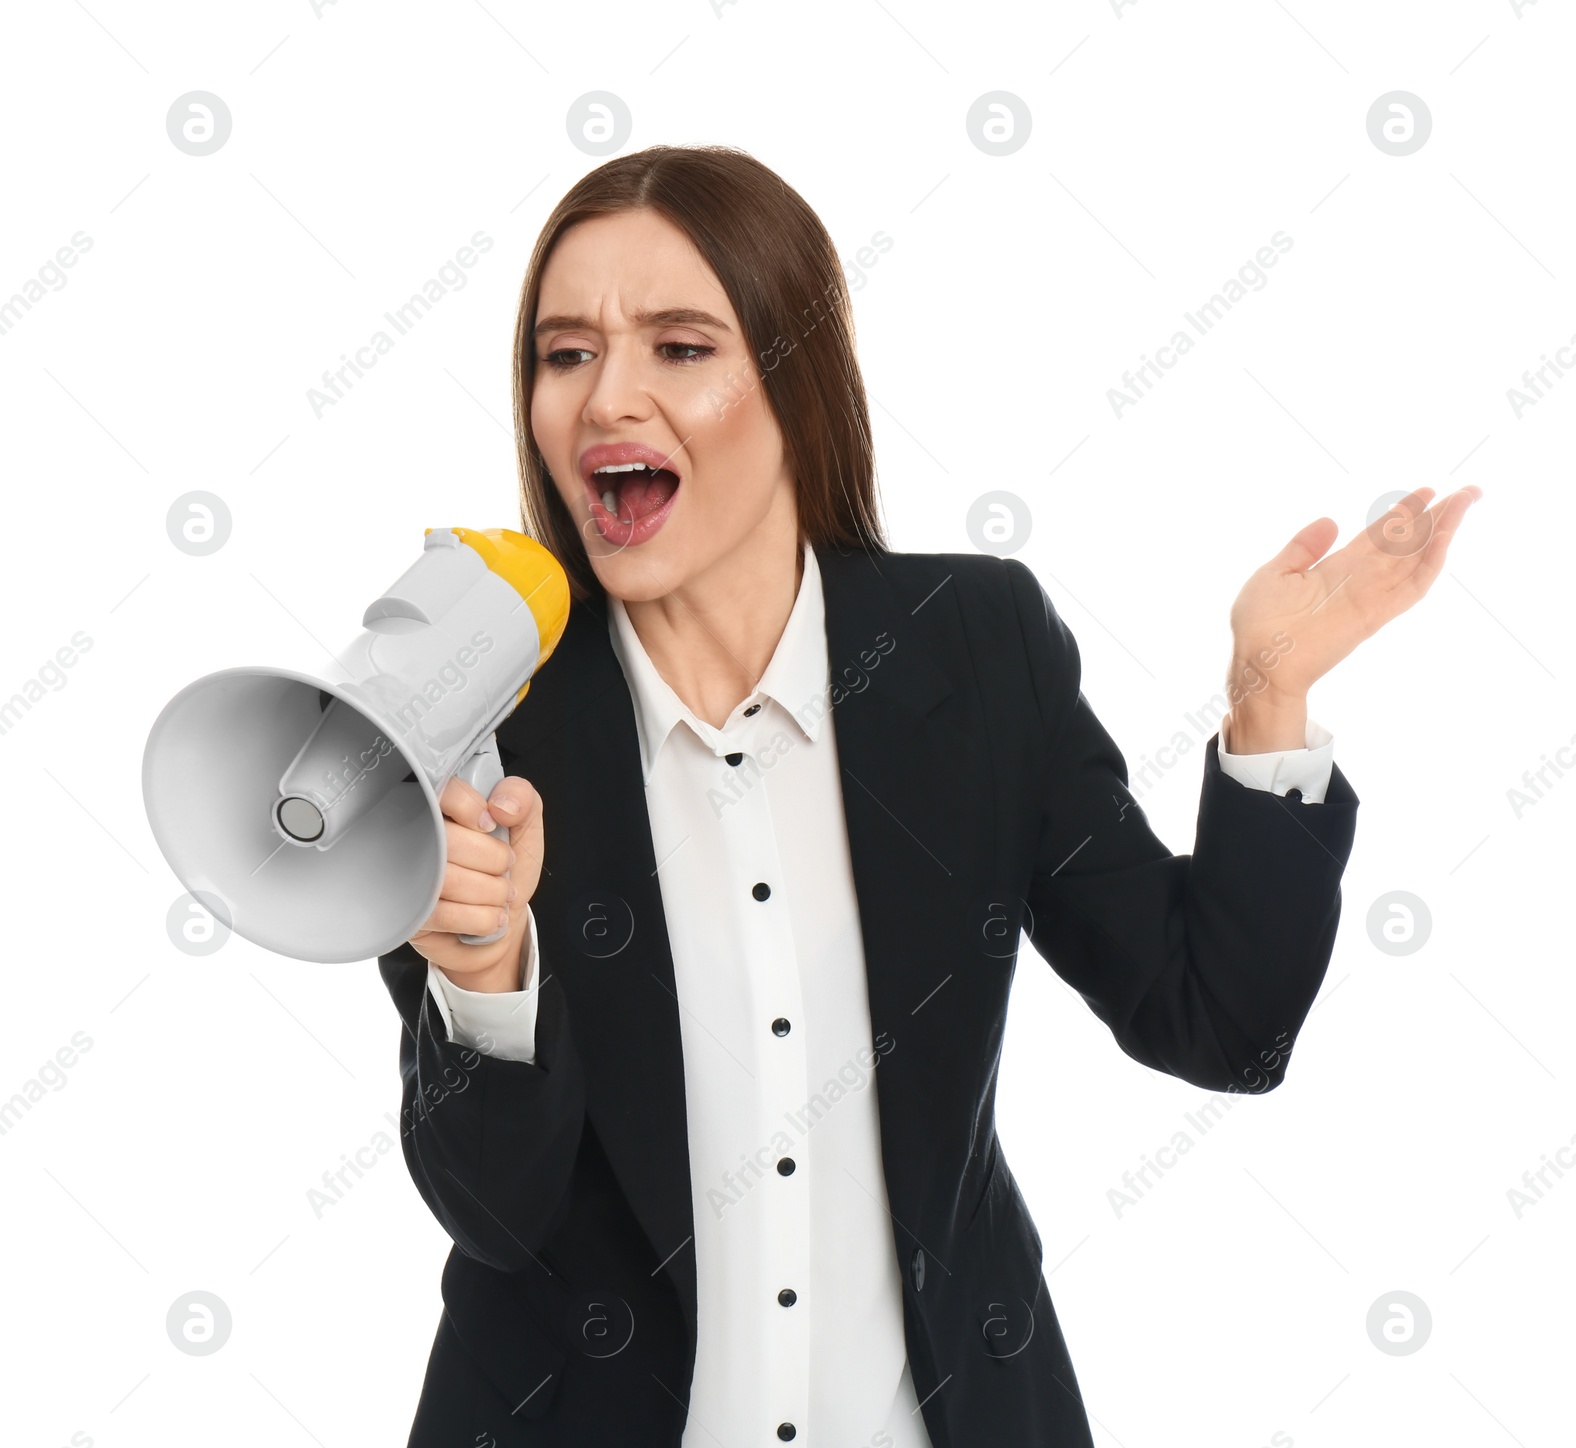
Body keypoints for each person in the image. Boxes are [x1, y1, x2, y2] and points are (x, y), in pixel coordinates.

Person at [377, 145, 1480, 1447]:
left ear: (796, 383)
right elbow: (497, 1212)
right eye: (565, 353)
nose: (608, 396)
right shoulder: (480, 710)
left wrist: (1267, 699)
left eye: (680, 346)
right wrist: (486, 973)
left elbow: (1219, 1023)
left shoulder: (973, 649)